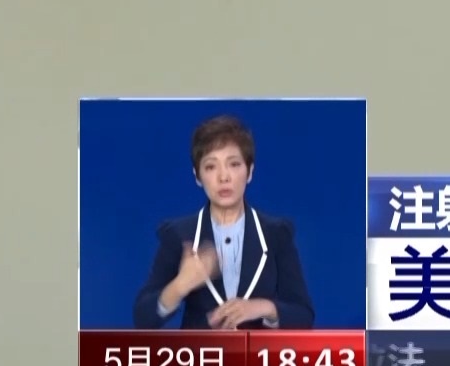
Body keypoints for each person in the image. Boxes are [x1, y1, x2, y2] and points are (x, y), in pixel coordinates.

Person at [132, 115, 315, 329]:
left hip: (259, 351)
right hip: (200, 351)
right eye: (211, 167)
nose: (223, 177)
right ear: (197, 176)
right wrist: (180, 285)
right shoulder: (179, 235)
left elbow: (303, 315)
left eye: (234, 164)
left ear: (250, 172)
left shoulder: (276, 234)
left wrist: (262, 308)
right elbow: (143, 318)